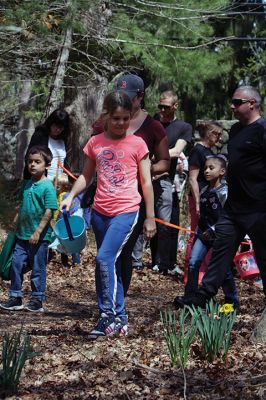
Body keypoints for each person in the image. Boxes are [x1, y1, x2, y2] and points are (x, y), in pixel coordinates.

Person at [60, 91, 156, 339]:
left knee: (103, 259)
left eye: (126, 118)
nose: (121, 123)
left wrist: (150, 217)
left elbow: (146, 182)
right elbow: (86, 176)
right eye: (116, 118)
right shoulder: (96, 143)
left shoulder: (138, 144)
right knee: (109, 264)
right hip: (100, 212)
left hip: (126, 211)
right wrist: (71, 197)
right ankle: (121, 318)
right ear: (106, 116)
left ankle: (107, 317)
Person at [185, 86, 266, 308]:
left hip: (259, 208)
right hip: (233, 207)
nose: (233, 106)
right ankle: (203, 296)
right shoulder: (238, 130)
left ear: (252, 104)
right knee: (221, 249)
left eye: (237, 102)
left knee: (263, 254)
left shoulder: (262, 129)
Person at [116, 74, 170, 293]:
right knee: (107, 253)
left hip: (136, 197)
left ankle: (118, 301)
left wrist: (145, 169)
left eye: (128, 97)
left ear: (140, 97)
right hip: (107, 196)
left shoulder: (153, 127)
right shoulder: (106, 121)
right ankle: (107, 303)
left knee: (125, 248)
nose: (123, 101)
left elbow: (165, 162)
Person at [174, 155, 239, 309]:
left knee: (222, 268)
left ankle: (231, 299)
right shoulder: (204, 190)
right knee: (193, 262)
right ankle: (190, 297)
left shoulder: (225, 192)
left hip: (219, 235)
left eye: (211, 168)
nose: (207, 171)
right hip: (202, 235)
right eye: (205, 168)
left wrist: (213, 230)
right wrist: (200, 231)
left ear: (222, 171)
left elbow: (227, 215)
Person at [0, 145, 58, 312]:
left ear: (47, 165)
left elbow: (49, 211)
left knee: (38, 268)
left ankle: (37, 299)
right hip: (21, 235)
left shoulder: (48, 187)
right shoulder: (26, 184)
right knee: (16, 264)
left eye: (37, 162)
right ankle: (15, 297)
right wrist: (13, 224)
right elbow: (22, 206)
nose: (32, 165)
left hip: (39, 238)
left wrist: (38, 232)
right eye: (30, 161)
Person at [151, 90, 193, 274]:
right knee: (140, 221)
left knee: (165, 223)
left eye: (165, 107)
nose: (161, 110)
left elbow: (177, 151)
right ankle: (143, 260)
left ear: (175, 106)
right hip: (144, 177)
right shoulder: (152, 122)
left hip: (165, 180)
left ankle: (164, 263)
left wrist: (152, 156)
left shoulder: (183, 127)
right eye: (160, 106)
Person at [185, 121, 223, 283]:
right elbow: (192, 179)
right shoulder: (197, 150)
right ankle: (191, 274)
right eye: (217, 134)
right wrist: (198, 202)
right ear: (208, 133)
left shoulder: (209, 151)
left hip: (210, 199)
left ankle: (204, 272)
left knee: (209, 234)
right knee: (196, 234)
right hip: (198, 199)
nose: (219, 137)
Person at [23, 109, 70, 181]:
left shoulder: (63, 139)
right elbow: (29, 158)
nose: (57, 129)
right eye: (55, 126)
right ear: (50, 123)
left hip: (59, 184)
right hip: (41, 182)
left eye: (61, 127)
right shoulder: (40, 135)